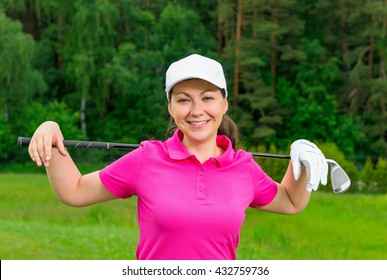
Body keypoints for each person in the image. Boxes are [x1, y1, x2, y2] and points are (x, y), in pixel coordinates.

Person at [28, 54, 328, 260]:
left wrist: (300, 161)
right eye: (184, 100)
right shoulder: (146, 159)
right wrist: (51, 135)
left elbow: (290, 201)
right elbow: (74, 190)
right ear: (170, 107)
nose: (197, 110)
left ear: (224, 103)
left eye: (208, 98)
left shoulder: (243, 167)